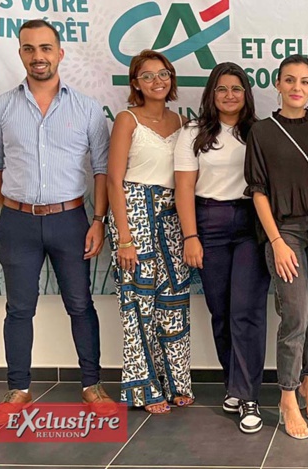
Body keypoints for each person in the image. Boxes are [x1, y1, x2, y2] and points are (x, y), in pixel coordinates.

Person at [0, 19, 115, 426]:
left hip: (72, 221)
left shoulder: (87, 108)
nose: (38, 56)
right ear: (21, 53)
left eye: (45, 48)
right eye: (29, 49)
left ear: (60, 52)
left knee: (80, 304)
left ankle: (91, 384)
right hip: (18, 224)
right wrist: (15, 205)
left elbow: (103, 170)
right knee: (19, 310)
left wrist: (98, 220)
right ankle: (17, 389)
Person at [246, 54, 308, 440]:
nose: (297, 88)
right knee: (295, 316)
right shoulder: (262, 131)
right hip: (286, 231)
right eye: (289, 80)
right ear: (278, 84)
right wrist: (276, 240)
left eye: (304, 81)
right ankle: (287, 396)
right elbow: (257, 191)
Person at [175, 62, 270, 433]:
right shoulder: (193, 133)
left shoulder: (259, 132)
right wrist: (190, 236)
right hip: (208, 224)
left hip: (251, 223)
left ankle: (248, 396)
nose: (229, 95)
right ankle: (234, 381)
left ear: (246, 93)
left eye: (236, 88)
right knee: (221, 312)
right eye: (221, 89)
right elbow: (184, 188)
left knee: (246, 311)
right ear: (210, 94)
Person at [106, 49, 193, 414]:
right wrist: (124, 238)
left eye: (164, 74)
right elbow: (113, 179)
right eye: (148, 75)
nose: (157, 81)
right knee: (138, 303)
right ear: (135, 83)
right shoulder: (127, 120)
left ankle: (176, 382)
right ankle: (143, 389)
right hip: (135, 211)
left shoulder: (182, 121)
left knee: (173, 301)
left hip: (172, 215)